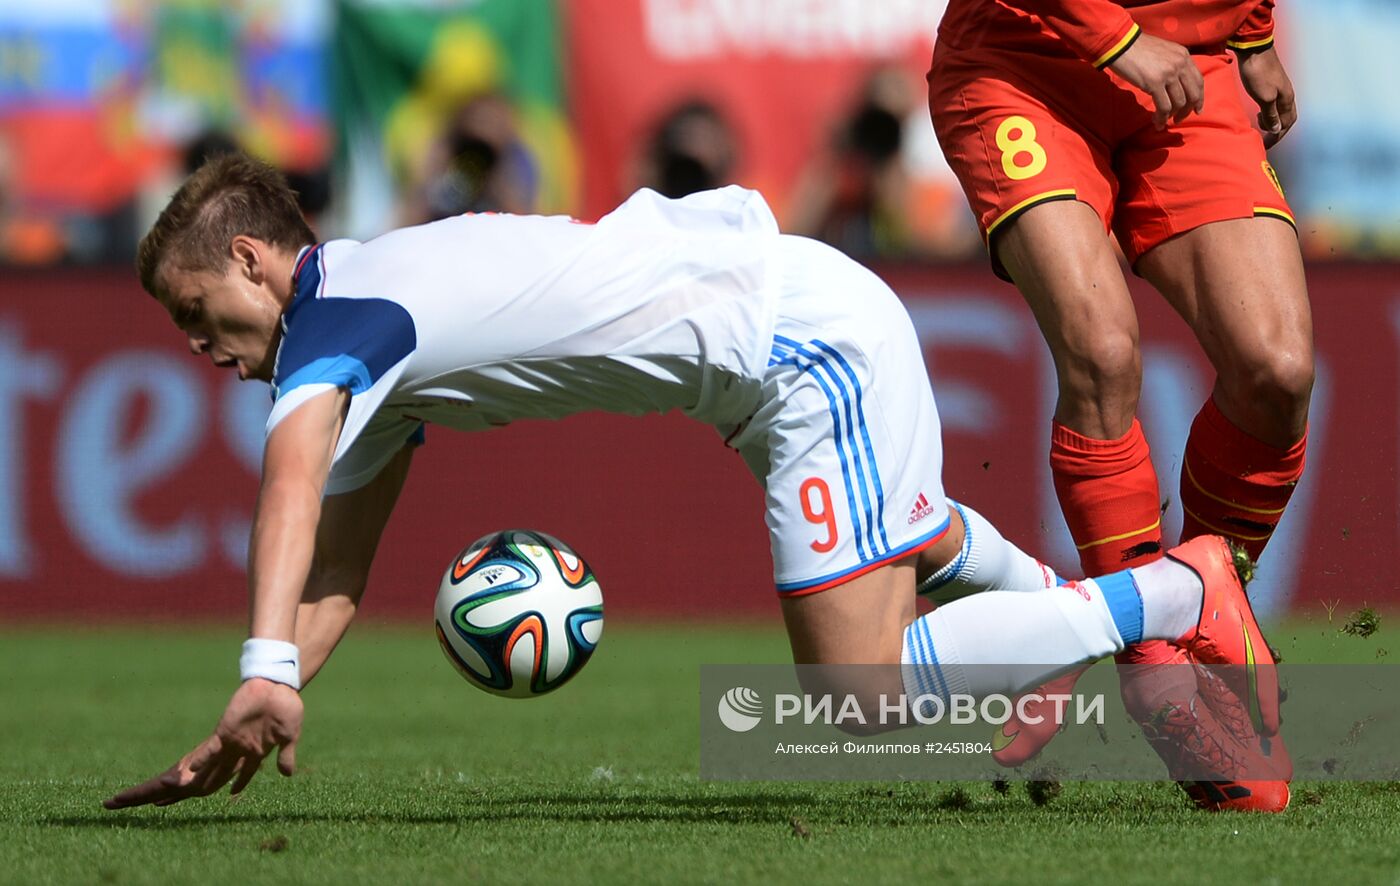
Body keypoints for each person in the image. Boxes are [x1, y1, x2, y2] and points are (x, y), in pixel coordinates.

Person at [102, 154, 1283, 811]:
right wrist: (257, 707)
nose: (199, 348)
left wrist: (262, 663)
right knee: (907, 540)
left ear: (254, 261)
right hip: (781, 349)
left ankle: (1177, 594)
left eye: (198, 314)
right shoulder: (365, 332)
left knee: (854, 704)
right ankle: (1041, 645)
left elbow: (289, 482)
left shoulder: (341, 316)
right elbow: (338, 564)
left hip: (800, 347)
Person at [927, 0, 1309, 807]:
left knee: (1274, 371)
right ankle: (1155, 676)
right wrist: (1120, 40)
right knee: (1101, 352)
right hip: (1024, 67)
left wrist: (1253, 34)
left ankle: (1188, 608)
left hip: (1186, 72)